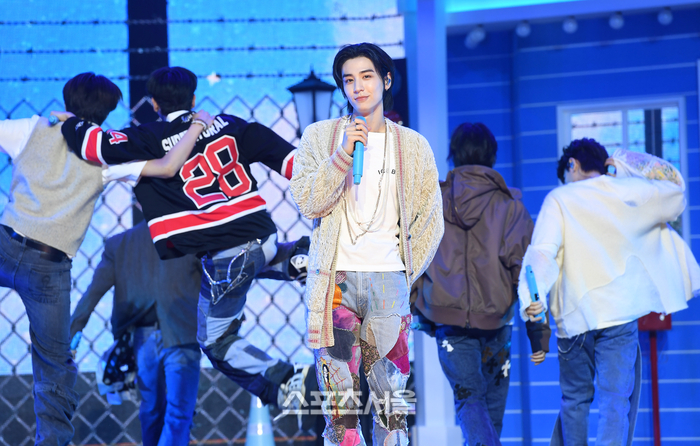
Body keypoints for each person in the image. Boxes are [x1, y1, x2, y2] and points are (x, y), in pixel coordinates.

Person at [59, 66, 313, 419]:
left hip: (224, 254)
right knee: (252, 259)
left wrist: (71, 122)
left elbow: (92, 145)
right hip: (262, 234)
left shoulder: (147, 137)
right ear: (194, 98)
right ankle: (298, 259)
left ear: (153, 103)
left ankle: (288, 379)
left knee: (216, 341)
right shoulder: (232, 124)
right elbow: (294, 164)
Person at [0, 72, 210, 446]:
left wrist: (57, 119)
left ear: (67, 98)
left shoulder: (32, 128)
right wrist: (196, 126)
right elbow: (167, 167)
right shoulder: (107, 153)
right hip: (49, 264)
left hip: (6, 241)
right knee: (54, 367)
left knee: (56, 365)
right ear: (108, 110)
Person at [289, 43, 444, 446]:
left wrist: (403, 272)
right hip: (334, 285)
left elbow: (430, 221)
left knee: (392, 410)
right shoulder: (320, 137)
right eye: (349, 80)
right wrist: (342, 154)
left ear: (386, 80)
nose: (358, 86)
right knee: (340, 417)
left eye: (367, 76)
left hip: (388, 281)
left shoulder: (412, 145)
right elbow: (307, 201)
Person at [519, 138, 699, 446]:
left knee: (575, 401)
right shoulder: (626, 191)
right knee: (615, 402)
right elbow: (675, 189)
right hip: (620, 315)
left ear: (572, 165)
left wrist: (532, 304)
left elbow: (542, 254)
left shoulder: (560, 198)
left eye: (566, 174)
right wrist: (628, 161)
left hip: (574, 319)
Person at [411, 122, 550, 446]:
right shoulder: (510, 207)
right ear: (492, 155)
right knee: (491, 407)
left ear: (454, 154)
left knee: (469, 400)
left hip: (447, 319)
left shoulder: (433, 202)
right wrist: (538, 332)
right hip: (496, 321)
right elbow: (525, 272)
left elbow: (414, 256)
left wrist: (419, 305)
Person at [70, 221, 202, 446]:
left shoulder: (121, 243)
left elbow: (94, 292)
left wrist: (74, 329)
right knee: (179, 411)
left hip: (144, 336)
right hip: (181, 332)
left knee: (152, 410)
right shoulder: (191, 233)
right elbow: (215, 277)